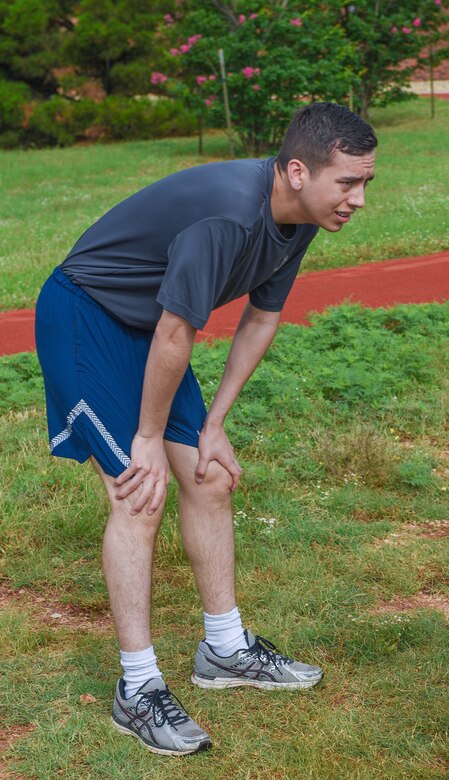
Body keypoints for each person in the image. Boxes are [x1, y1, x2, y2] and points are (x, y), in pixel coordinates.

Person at [35, 101, 377, 756]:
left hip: (147, 325)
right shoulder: (227, 215)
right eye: (348, 182)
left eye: (365, 183)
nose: (357, 199)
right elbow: (176, 331)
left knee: (210, 474)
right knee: (139, 491)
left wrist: (214, 424)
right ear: (298, 171)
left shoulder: (300, 216)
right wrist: (145, 439)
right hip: (86, 316)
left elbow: (260, 318)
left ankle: (224, 651)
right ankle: (137, 690)